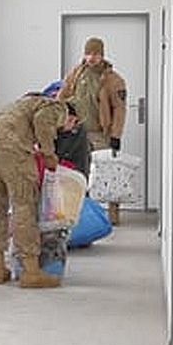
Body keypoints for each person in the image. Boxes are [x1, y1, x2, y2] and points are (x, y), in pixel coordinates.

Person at [0, 93, 81, 289]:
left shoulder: (22, 104)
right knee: (24, 204)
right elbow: (43, 121)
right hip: (10, 144)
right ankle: (31, 272)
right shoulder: (57, 107)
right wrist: (49, 154)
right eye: (73, 125)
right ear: (71, 117)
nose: (69, 129)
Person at [58, 36, 128, 223]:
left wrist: (116, 135)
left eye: (95, 54)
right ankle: (79, 213)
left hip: (100, 133)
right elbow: (62, 95)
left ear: (102, 55)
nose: (91, 58)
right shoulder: (76, 73)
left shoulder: (113, 80)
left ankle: (113, 215)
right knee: (79, 173)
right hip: (77, 132)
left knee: (107, 173)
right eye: (88, 53)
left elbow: (119, 109)